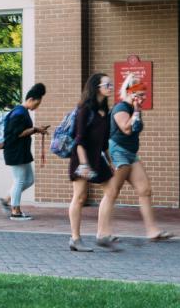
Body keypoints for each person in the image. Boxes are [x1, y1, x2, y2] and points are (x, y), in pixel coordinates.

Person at [100, 75, 173, 241]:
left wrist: (137, 109)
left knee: (145, 190)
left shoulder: (133, 108)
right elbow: (127, 129)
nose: (142, 97)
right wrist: (136, 110)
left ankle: (152, 231)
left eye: (143, 94)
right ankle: (103, 232)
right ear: (129, 93)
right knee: (112, 191)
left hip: (131, 153)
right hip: (118, 151)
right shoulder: (121, 108)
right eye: (139, 94)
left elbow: (136, 127)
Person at [68, 73, 117, 252]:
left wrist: (110, 162)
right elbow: (78, 139)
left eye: (111, 85)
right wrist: (84, 164)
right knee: (80, 197)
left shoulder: (105, 112)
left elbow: (104, 143)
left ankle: (102, 234)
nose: (110, 87)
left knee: (111, 190)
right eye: (107, 84)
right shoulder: (84, 110)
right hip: (82, 157)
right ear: (97, 87)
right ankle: (75, 238)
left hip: (98, 157)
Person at [0, 83, 48, 221]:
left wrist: (36, 129)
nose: (37, 106)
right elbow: (18, 133)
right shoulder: (19, 113)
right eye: (37, 103)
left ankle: (6, 199)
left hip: (22, 152)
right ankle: (15, 211)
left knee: (29, 180)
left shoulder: (21, 111)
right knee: (19, 180)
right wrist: (36, 129)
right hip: (15, 152)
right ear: (31, 99)